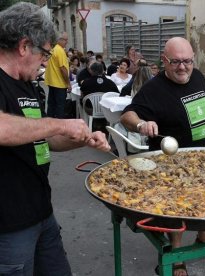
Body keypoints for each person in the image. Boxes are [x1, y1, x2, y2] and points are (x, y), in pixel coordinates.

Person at [0, 3, 110, 275]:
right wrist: (58, 123)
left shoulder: (25, 83)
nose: (46, 61)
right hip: (8, 225)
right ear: (24, 46)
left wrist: (81, 139)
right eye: (45, 53)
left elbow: (42, 138)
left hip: (41, 212)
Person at [120, 37, 205, 276]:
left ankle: (203, 234)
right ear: (164, 61)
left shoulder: (197, 76)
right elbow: (127, 116)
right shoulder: (154, 89)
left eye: (187, 61)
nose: (182, 67)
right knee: (177, 207)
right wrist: (141, 125)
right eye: (176, 62)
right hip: (172, 163)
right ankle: (177, 257)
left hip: (204, 155)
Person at [44, 31, 71, 118]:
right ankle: (60, 128)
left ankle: (49, 125)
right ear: (59, 40)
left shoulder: (52, 49)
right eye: (65, 40)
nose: (67, 42)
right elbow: (63, 68)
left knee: (51, 106)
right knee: (60, 108)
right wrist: (68, 83)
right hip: (59, 83)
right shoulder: (60, 50)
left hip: (51, 82)